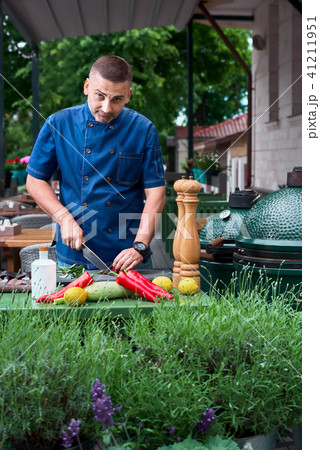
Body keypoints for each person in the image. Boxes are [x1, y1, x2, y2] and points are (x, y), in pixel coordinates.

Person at [26, 55, 166, 272]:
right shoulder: (59, 124)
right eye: (99, 96)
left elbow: (156, 193)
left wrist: (140, 246)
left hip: (130, 257)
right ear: (87, 86)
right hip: (75, 254)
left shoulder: (144, 130)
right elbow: (35, 181)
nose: (107, 108)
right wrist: (64, 218)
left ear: (128, 95)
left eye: (117, 99)